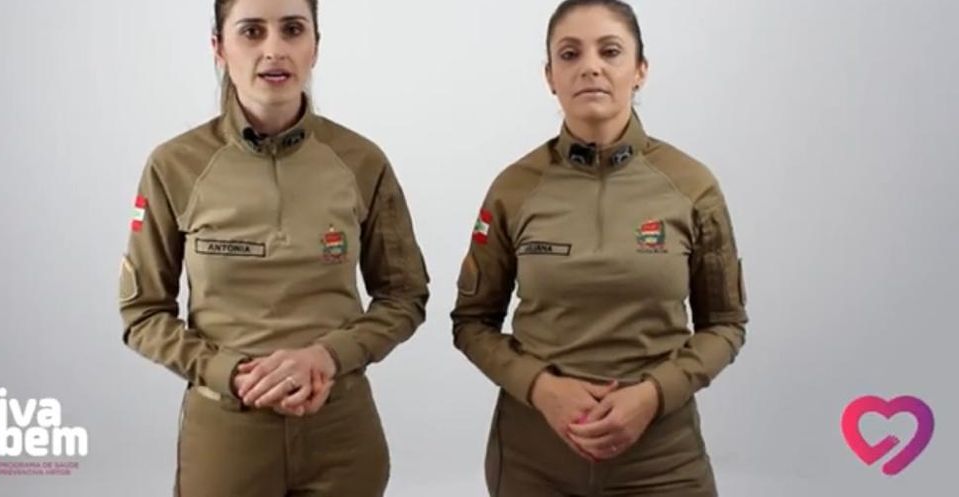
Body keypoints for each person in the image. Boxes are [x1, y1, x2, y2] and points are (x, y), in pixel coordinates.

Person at [117, 0, 429, 495]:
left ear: (315, 47)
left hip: (341, 434)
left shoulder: (361, 161)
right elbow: (143, 313)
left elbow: (404, 296)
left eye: (292, 29)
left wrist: (328, 356)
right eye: (251, 31)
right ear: (219, 48)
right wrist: (230, 373)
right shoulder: (174, 165)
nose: (274, 50)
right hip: (226, 433)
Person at [450, 1, 748, 495]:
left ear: (640, 70)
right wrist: (541, 388)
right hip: (532, 460)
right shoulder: (514, 188)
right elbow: (472, 323)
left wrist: (653, 395)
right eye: (570, 54)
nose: (590, 67)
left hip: (662, 460)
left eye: (610, 51)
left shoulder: (691, 185)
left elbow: (726, 324)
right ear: (550, 76)